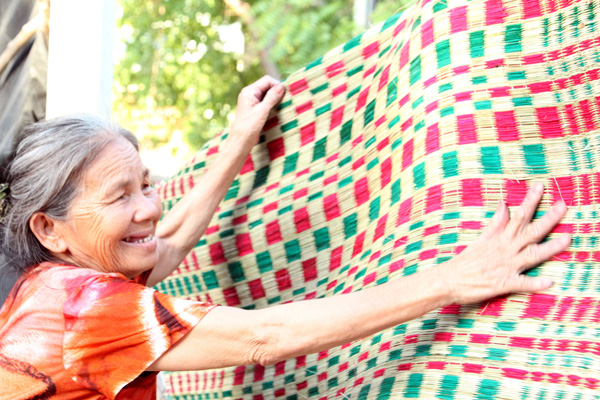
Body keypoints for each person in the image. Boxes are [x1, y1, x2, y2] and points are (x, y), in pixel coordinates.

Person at [0, 76, 570, 400]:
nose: (149, 207)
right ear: (50, 228)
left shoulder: (48, 285)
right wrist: (457, 279)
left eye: (146, 184)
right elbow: (263, 337)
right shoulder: (85, 309)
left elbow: (166, 241)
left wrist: (240, 139)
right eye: (120, 196)